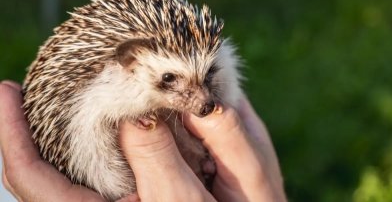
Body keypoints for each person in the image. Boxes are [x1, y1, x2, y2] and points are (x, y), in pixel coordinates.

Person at [0, 80, 287, 202]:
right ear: (129, 63)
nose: (203, 101)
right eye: (170, 79)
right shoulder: (102, 94)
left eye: (205, 77)